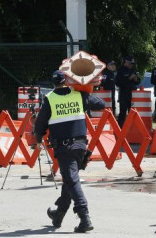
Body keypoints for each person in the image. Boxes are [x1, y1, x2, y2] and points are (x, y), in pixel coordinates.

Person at [33, 70, 105, 233]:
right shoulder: (78, 95)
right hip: (80, 147)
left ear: (53, 83)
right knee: (69, 178)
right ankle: (59, 214)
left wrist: (38, 140)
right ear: (67, 81)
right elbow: (100, 104)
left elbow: (40, 125)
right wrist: (85, 91)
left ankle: (84, 217)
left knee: (71, 180)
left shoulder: (50, 99)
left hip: (64, 148)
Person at [115, 56, 140, 127]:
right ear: (126, 62)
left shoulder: (133, 70)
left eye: (132, 64)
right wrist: (129, 78)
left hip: (133, 95)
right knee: (122, 113)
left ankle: (132, 128)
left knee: (133, 113)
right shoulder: (120, 70)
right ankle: (120, 129)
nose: (131, 65)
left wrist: (135, 79)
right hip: (123, 95)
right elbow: (118, 83)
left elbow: (138, 82)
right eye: (130, 63)